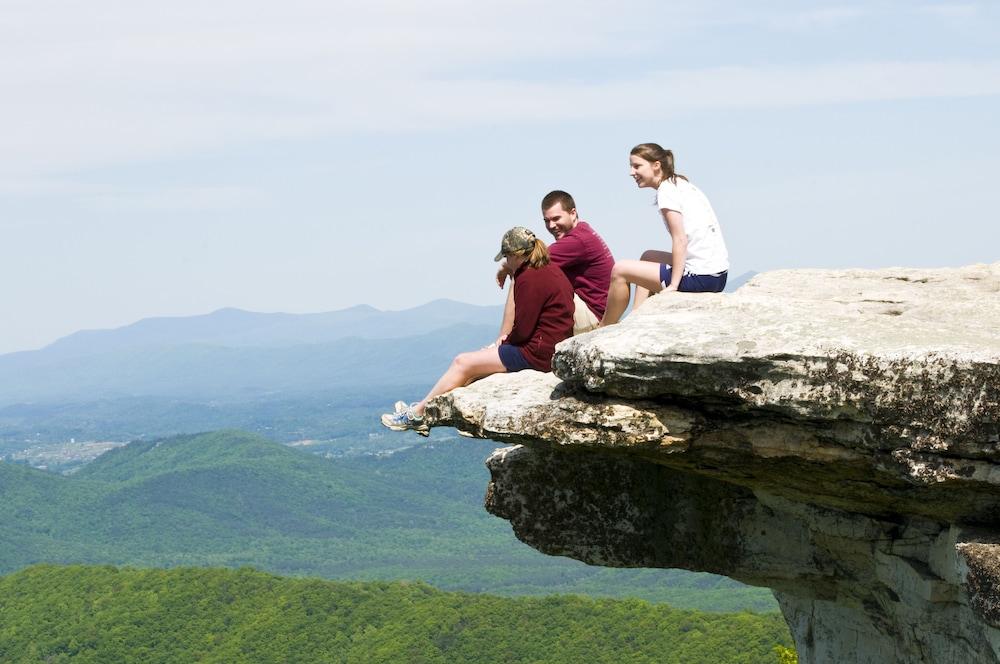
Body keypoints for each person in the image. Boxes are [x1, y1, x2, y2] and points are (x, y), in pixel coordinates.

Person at [381, 226, 574, 434]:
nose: (507, 263)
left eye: (507, 257)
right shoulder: (550, 269)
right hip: (551, 348)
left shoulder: (528, 278)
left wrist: (504, 342)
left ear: (515, 255)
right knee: (476, 366)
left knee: (462, 362)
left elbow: (524, 329)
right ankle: (424, 406)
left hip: (536, 354)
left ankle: (416, 414)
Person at [600, 143, 729, 326]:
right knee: (648, 257)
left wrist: (674, 286)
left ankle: (605, 327)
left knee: (619, 270)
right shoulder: (680, 183)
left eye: (637, 166)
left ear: (656, 165)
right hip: (717, 275)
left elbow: (680, 239)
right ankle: (636, 318)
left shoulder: (667, 192)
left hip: (701, 278)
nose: (631, 172)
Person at [496, 191, 614, 340]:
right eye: (546, 220)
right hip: (595, 312)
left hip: (591, 316)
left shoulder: (577, 241)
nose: (551, 225)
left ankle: (504, 339)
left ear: (573, 213)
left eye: (556, 218)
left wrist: (505, 267)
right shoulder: (583, 232)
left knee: (523, 271)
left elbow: (527, 259)